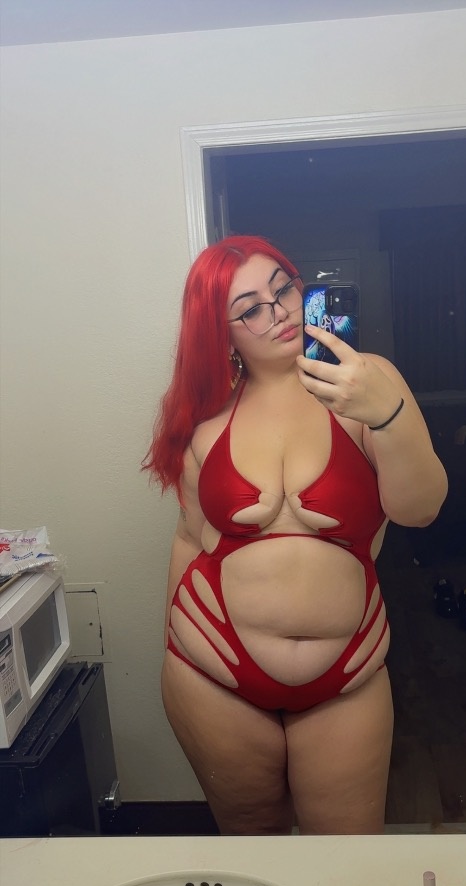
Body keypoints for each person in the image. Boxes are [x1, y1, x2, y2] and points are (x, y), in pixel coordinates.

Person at [144, 235, 447, 835]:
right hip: (212, 671)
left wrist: (386, 413)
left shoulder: (368, 384)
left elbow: (421, 510)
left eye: (283, 288)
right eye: (250, 308)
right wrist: (174, 642)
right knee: (254, 850)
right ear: (221, 334)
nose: (279, 311)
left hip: (346, 676)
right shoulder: (207, 417)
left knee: (345, 855)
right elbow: (191, 537)